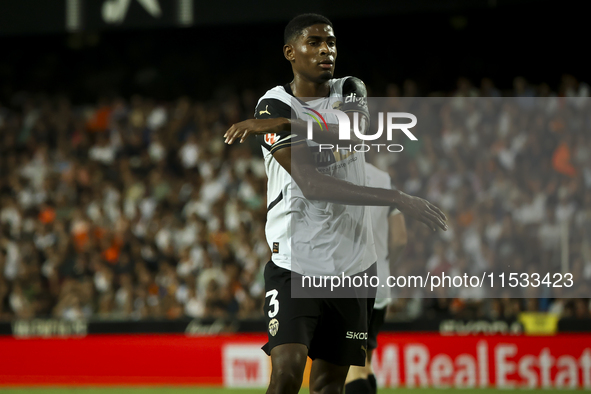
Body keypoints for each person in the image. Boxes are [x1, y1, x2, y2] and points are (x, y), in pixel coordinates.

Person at [224, 13, 447, 394]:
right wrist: (394, 197)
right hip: (296, 264)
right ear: (290, 52)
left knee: (329, 386)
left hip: (354, 265)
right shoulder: (272, 105)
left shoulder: (349, 87)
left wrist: (289, 126)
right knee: (287, 376)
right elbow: (311, 184)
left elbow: (350, 132)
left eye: (330, 42)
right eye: (314, 43)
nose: (326, 50)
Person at [344, 162, 408, 394]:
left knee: (351, 368)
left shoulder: (334, 174)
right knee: (364, 363)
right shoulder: (384, 179)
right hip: (380, 280)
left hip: (349, 281)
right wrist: (386, 264)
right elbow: (400, 238)